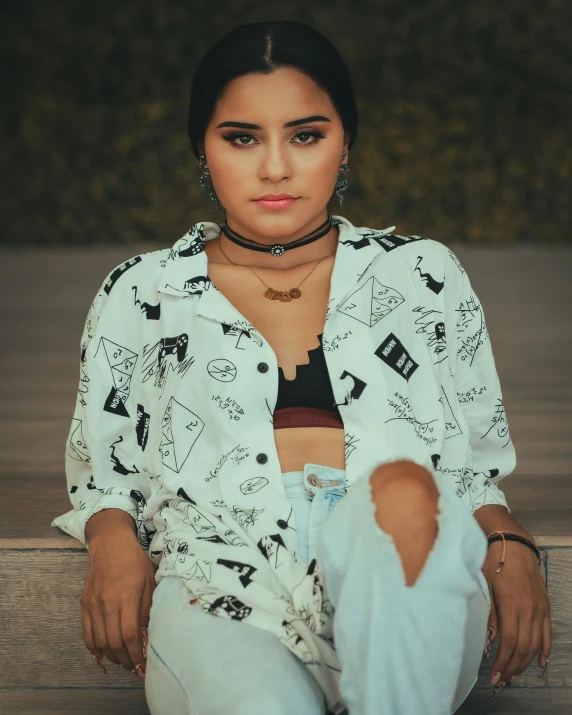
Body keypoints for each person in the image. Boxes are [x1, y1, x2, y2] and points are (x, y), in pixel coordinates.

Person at [51, 19, 551, 715]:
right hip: (219, 571)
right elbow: (108, 468)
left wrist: (506, 538)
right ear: (203, 146)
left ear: (345, 143)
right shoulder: (143, 291)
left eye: (306, 135)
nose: (276, 167)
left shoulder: (419, 274)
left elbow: (468, 463)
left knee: (402, 499)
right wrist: (111, 536)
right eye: (242, 137)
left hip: (397, 552)